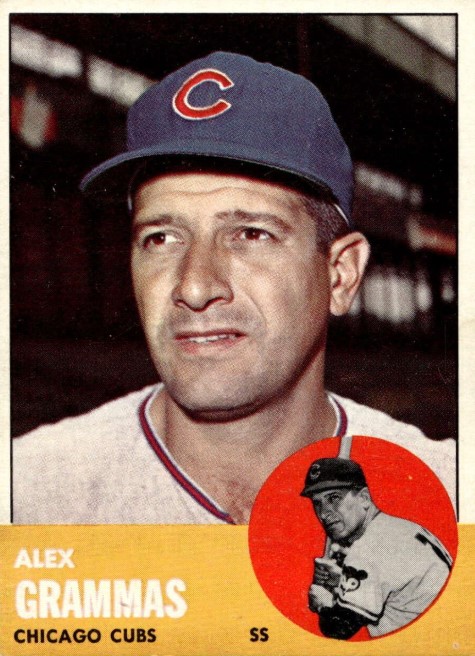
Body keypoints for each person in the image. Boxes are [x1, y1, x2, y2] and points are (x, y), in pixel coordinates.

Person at [13, 51, 455, 525]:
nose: (195, 287)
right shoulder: (28, 493)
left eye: (251, 234)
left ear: (341, 274)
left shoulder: (448, 497)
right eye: (161, 238)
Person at [301, 458, 452, 639]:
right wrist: (343, 580)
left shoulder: (367, 550)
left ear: (364, 498)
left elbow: (337, 629)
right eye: (317, 503)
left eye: (334, 498)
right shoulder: (400, 527)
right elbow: (391, 582)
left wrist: (322, 603)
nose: (324, 513)